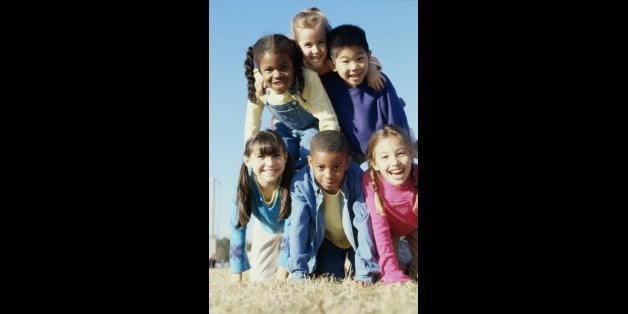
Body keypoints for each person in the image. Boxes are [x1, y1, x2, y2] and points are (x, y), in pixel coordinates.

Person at [287, 130, 379, 284]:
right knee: (329, 279)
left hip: (356, 241)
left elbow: (363, 224)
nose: (329, 175)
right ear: (310, 162)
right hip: (329, 241)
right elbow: (298, 228)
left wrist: (365, 273)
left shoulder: (357, 177)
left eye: (336, 167)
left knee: (368, 278)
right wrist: (298, 273)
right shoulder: (300, 184)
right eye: (321, 167)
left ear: (348, 162)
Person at [244, 34, 340, 170]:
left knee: (309, 156)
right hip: (284, 128)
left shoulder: (308, 79)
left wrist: (330, 147)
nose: (277, 75)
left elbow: (326, 116)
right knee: (280, 158)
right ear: (259, 71)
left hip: (311, 127)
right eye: (269, 70)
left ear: (293, 65)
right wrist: (249, 152)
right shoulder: (259, 86)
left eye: (283, 67)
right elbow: (252, 122)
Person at [321, 24, 411, 165]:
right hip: (352, 155)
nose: (354, 67)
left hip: (386, 152)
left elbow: (397, 122)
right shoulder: (327, 85)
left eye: (359, 59)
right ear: (332, 64)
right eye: (345, 61)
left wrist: (401, 152)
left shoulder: (379, 81)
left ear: (368, 56)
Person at [229, 130, 295, 282]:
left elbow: (293, 227)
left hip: (295, 232)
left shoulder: (294, 182)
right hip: (265, 229)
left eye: (276, 155)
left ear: (285, 157)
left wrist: (282, 272)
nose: (270, 163)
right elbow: (237, 227)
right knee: (259, 280)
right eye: (261, 156)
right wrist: (236, 276)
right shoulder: (243, 186)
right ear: (248, 160)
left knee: (295, 277)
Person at [362, 125, 419, 284]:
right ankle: (402, 259)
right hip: (390, 231)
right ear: (374, 163)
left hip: (415, 226)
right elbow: (380, 229)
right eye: (385, 157)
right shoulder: (370, 181)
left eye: (401, 153)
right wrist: (391, 272)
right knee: (388, 272)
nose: (394, 162)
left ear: (411, 154)